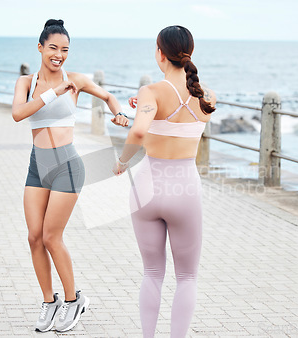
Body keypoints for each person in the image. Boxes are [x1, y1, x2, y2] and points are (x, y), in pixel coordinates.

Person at [12, 19, 129, 333]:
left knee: (52, 236)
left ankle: (73, 300)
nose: (59, 54)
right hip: (37, 166)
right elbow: (18, 113)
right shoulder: (27, 82)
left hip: (67, 166)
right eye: (53, 48)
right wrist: (54, 93)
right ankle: (49, 304)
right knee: (34, 237)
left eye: (64, 49)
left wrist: (118, 113)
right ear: (40, 47)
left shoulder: (74, 79)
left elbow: (107, 96)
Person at [113, 25, 216, 337]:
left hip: (147, 187)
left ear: (160, 53)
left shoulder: (151, 92)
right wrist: (143, 113)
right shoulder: (208, 95)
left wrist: (122, 161)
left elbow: (142, 131)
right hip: (184, 189)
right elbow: (174, 126)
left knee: (153, 273)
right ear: (190, 53)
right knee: (187, 277)